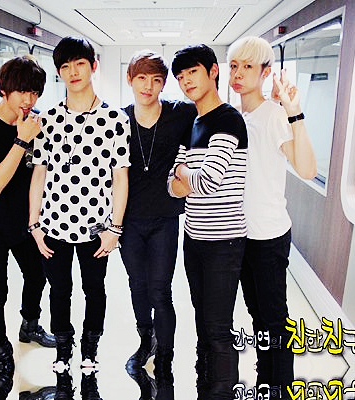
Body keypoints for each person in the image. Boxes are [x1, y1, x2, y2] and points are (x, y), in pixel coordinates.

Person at [29, 36, 130, 373]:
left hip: (97, 226)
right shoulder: (47, 119)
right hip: (53, 224)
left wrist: (115, 228)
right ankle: (63, 348)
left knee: (94, 290)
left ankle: (90, 349)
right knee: (59, 291)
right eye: (65, 66)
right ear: (59, 72)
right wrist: (34, 225)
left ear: (93, 66)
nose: (73, 72)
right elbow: (39, 174)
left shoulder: (115, 119)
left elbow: (120, 178)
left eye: (80, 64)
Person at [227, 36, 316, 399]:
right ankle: (267, 380)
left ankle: (281, 387)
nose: (238, 74)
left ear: (265, 73)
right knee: (257, 316)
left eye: (248, 67)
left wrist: (294, 112)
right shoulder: (232, 117)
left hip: (268, 236)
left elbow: (307, 169)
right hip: (239, 235)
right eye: (234, 66)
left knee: (275, 320)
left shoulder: (275, 114)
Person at [0, 56, 55, 396]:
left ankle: (29, 325)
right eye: (22, 92)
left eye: (34, 92)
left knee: (37, 276)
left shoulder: (35, 121)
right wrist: (21, 140)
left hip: (25, 222)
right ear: (4, 89)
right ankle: (1, 350)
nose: (28, 100)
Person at [167, 44, 248, 400]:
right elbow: (172, 188)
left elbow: (207, 182)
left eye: (193, 72)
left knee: (217, 329)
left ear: (213, 71)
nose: (186, 81)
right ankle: (206, 387)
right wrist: (184, 176)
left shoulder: (228, 119)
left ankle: (222, 392)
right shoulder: (193, 125)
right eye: (181, 77)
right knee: (202, 322)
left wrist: (184, 173)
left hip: (224, 242)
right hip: (195, 239)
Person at [120, 50, 197, 384]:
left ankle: (166, 355)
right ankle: (145, 340)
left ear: (164, 84)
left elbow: (212, 113)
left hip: (165, 218)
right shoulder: (119, 120)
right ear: (130, 80)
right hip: (129, 221)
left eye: (156, 80)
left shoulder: (181, 114)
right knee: (137, 286)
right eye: (141, 78)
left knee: (160, 291)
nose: (148, 87)